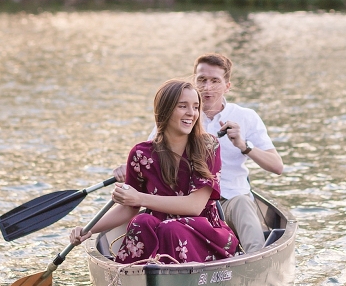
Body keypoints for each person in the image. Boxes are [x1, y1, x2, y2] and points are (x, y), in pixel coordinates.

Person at [115, 53, 283, 254]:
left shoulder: (246, 117)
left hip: (231, 199)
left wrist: (243, 145)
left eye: (215, 81)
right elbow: (153, 156)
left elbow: (277, 166)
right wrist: (130, 169)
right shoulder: (180, 116)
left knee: (243, 205)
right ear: (194, 81)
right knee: (152, 223)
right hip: (188, 202)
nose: (207, 87)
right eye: (202, 80)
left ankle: (255, 260)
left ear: (227, 86)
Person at [69, 78, 237, 264]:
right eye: (183, 106)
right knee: (141, 222)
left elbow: (195, 206)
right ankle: (134, 276)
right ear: (165, 109)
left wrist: (140, 198)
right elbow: (128, 209)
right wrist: (88, 230)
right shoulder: (141, 154)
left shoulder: (208, 145)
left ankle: (172, 276)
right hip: (159, 227)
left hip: (203, 231)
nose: (191, 113)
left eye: (196, 107)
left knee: (171, 229)